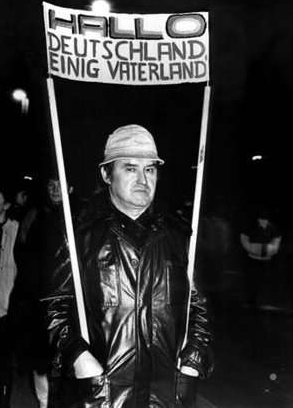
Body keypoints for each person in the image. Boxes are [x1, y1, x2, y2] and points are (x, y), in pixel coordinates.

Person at [43, 124, 214, 408]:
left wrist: (192, 362)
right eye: (131, 168)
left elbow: (200, 308)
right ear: (106, 174)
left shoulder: (179, 235)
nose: (143, 180)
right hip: (100, 394)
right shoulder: (78, 233)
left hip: (165, 394)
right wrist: (79, 358)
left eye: (150, 170)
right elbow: (54, 307)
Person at [15, 174, 75, 408]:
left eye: (59, 184)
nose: (55, 189)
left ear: (70, 188)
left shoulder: (80, 217)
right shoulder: (37, 216)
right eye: (50, 185)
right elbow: (24, 255)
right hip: (41, 299)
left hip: (70, 302)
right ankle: (43, 403)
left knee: (68, 361)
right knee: (41, 359)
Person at [0, 182, 19, 408]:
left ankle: (3, 403)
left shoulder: (16, 230)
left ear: (7, 205)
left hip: (5, 306)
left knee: (3, 361)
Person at [240, 205, 282, 308]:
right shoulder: (251, 226)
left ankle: (257, 299)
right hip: (253, 257)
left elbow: (276, 240)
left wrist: (268, 251)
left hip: (264, 258)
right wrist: (254, 250)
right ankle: (252, 299)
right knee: (252, 278)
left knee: (260, 279)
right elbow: (244, 239)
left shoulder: (272, 227)